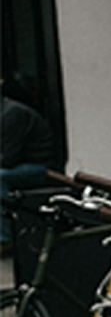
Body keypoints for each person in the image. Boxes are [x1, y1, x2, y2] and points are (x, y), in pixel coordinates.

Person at [1, 90, 56, 256]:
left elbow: (8, 158)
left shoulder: (11, 113)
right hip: (20, 164)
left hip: (39, 166)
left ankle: (4, 239)